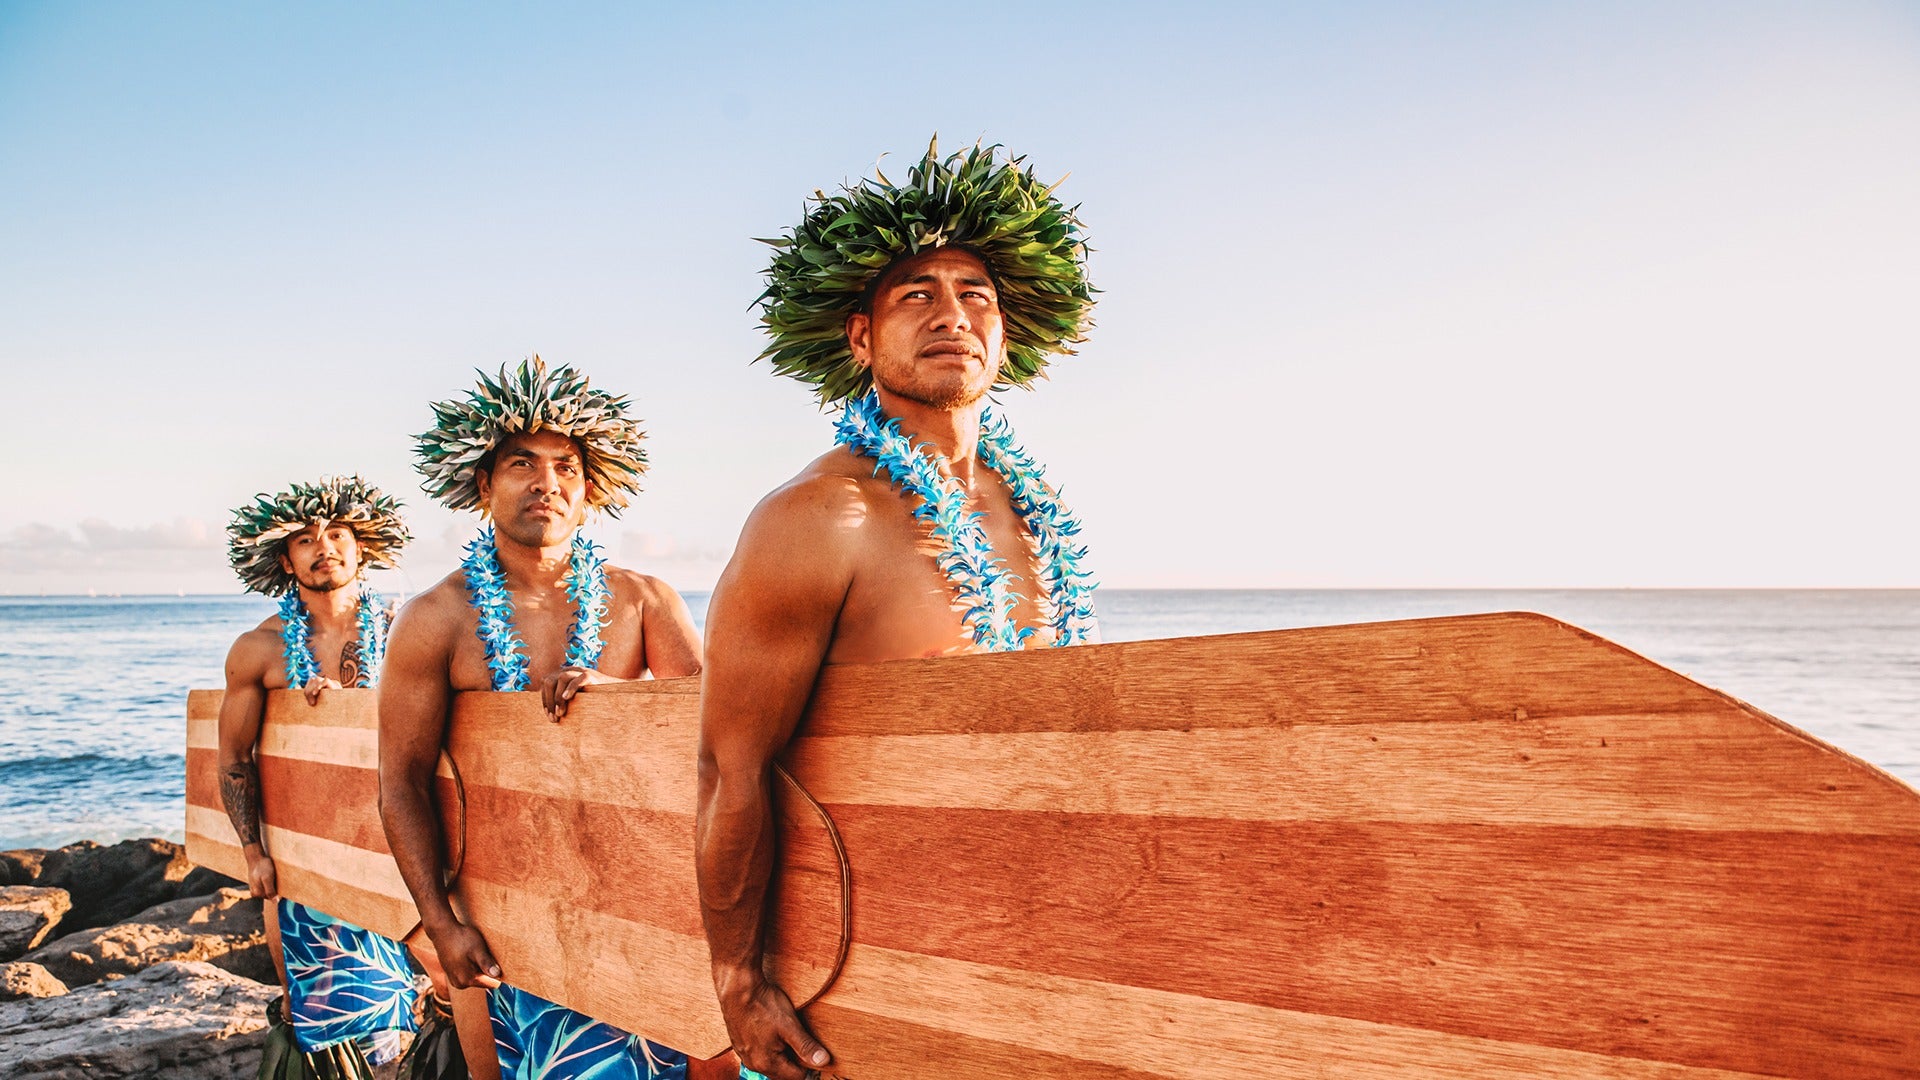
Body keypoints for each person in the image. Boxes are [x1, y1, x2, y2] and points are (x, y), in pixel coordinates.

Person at [696, 138, 1101, 1080]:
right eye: (916, 295)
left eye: (975, 296)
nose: (953, 315)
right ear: (861, 339)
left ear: (1004, 335)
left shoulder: (1035, 516)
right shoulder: (819, 517)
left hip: (1035, 943)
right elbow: (729, 766)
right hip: (873, 962)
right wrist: (736, 977)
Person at [378, 356, 712, 1080]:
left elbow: (717, 733)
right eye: (522, 464)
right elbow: (400, 779)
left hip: (637, 900)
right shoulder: (436, 619)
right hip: (501, 912)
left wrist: (617, 697)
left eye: (565, 467)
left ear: (588, 494)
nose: (546, 483)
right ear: (482, 486)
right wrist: (440, 923)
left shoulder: (643, 600)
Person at [219, 475, 423, 1076]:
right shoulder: (259, 649)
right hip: (313, 853)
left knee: (430, 1011)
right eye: (305, 539)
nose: (323, 546)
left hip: (407, 842)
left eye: (336, 534)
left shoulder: (410, 628)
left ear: (361, 548)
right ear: (286, 559)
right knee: (331, 1026)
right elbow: (234, 759)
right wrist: (254, 853)